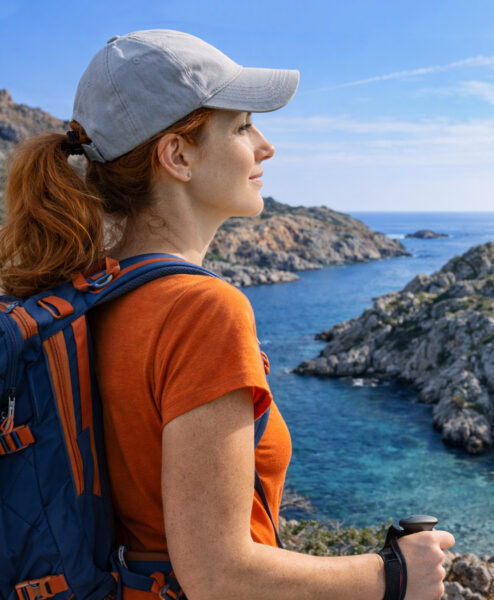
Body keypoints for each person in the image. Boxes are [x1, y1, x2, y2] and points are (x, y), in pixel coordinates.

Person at [0, 30, 454, 600]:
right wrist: (395, 573)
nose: (265, 146)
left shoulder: (79, 294)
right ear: (178, 156)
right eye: (241, 126)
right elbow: (219, 574)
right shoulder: (202, 310)